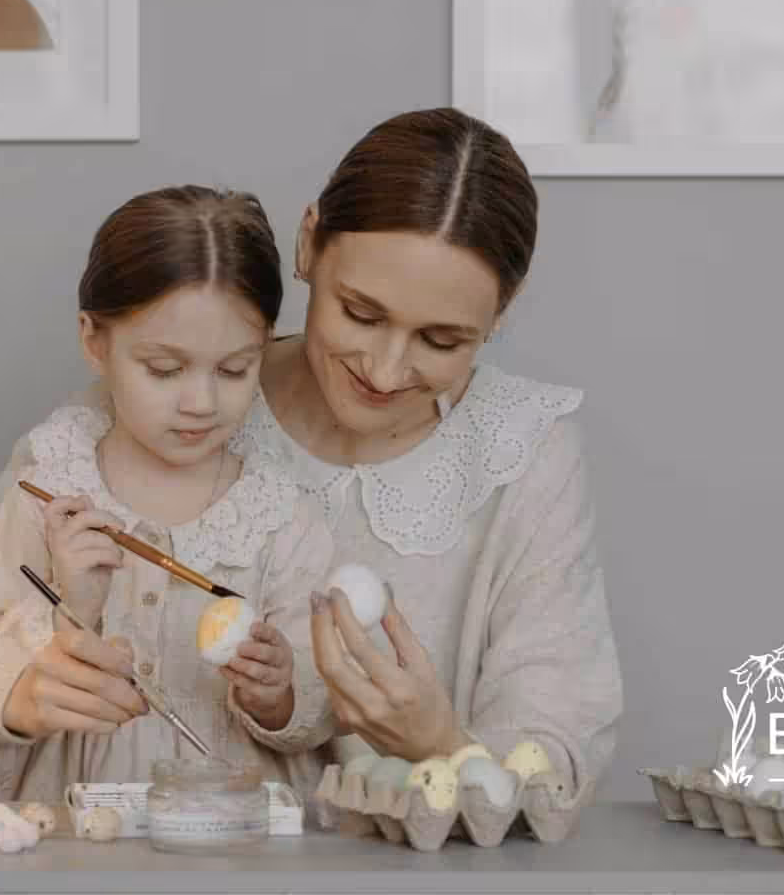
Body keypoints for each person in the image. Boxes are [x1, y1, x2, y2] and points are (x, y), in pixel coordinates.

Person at [0, 186, 337, 803]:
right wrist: (72, 607)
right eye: (164, 369)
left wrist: (279, 693)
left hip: (235, 832)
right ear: (95, 340)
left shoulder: (282, 509)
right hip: (71, 818)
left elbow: (322, 702)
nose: (201, 402)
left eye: (234, 370)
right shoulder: (51, 482)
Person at [237, 107, 621, 798]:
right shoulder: (188, 399)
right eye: (360, 313)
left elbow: (559, 750)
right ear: (309, 244)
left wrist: (438, 742)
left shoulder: (522, 448)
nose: (385, 372)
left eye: (441, 342)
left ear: (502, 312)